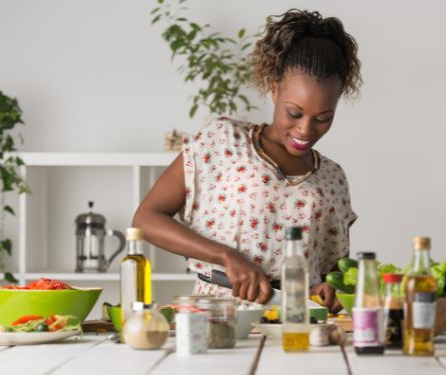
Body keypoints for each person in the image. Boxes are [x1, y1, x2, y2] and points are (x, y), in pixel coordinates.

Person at [133, 9, 361, 312]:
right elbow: (146, 219)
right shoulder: (222, 140)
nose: (305, 130)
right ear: (275, 88)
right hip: (220, 318)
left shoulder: (333, 177)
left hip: (298, 322)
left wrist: (330, 289)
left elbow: (332, 270)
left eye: (323, 118)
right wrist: (227, 256)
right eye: (294, 113)